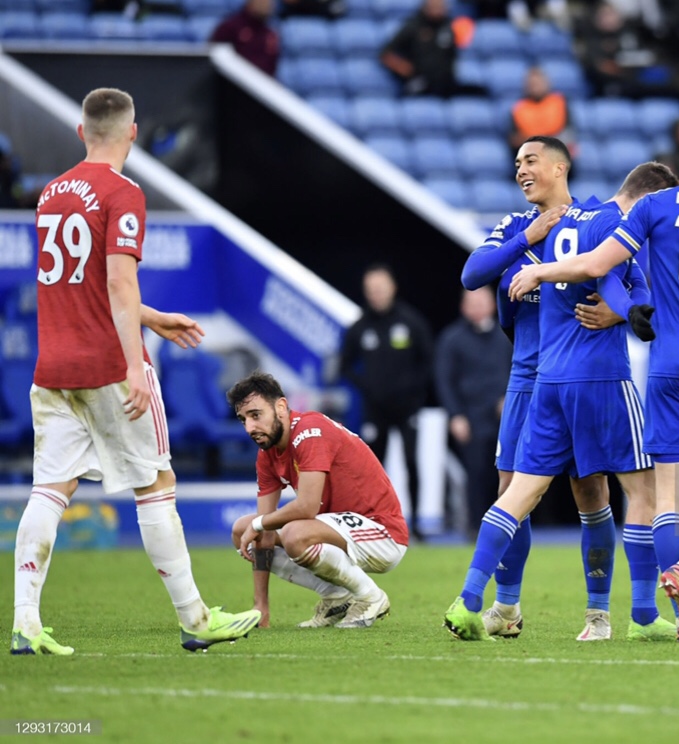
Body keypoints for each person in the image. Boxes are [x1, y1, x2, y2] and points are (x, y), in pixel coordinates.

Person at [508, 116, 679, 643]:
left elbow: (595, 263)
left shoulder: (657, 206)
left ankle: (677, 604)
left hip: (667, 369)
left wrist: (541, 270)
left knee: (668, 495)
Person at [11, 88, 260, 656]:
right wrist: (131, 363)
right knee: (155, 485)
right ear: (133, 133)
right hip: (106, 362)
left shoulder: (51, 193)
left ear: (81, 133)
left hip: (52, 366)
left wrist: (153, 317)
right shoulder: (123, 192)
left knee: (49, 490)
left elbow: (81, 283)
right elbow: (119, 283)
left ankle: (25, 621)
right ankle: (195, 618)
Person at [445, 161, 679, 643]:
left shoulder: (575, 224)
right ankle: (524, 607)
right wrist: (631, 311)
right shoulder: (534, 227)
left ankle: (488, 601)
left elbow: (620, 284)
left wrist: (618, 311)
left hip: (551, 376)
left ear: (559, 169)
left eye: (529, 162)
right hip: (575, 379)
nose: (520, 171)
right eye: (517, 163)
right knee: (630, 492)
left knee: (553, 494)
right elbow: (477, 275)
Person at [228, 372, 408, 630]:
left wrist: (259, 525)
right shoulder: (267, 454)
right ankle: (337, 596)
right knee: (241, 530)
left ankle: (370, 596)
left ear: (280, 406)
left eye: (255, 415)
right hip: (338, 529)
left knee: (292, 532)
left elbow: (306, 507)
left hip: (383, 532)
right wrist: (261, 606)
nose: (249, 428)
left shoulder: (310, 431)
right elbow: (262, 535)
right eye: (243, 419)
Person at [339, 263, 432, 541]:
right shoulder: (359, 327)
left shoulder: (411, 321)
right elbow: (345, 367)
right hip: (375, 410)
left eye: (380, 288)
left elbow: (428, 361)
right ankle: (371, 524)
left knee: (412, 463)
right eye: (371, 290)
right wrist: (369, 388)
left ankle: (414, 526)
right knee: (371, 469)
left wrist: (412, 391)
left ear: (392, 287)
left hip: (407, 409)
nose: (376, 294)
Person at [434, 288, 512, 529]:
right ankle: (476, 528)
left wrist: (511, 400)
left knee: (507, 474)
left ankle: (509, 525)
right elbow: (444, 379)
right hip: (471, 418)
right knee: (476, 474)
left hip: (505, 417)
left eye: (482, 302)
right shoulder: (452, 338)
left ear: (492, 304)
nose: (477, 307)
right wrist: (455, 415)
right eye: (472, 302)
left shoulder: (507, 334)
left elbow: (523, 370)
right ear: (463, 306)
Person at [380, 0, 485, 98]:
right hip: (422, 82)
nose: (439, 8)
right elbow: (386, 54)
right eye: (435, 5)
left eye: (441, 5)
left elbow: (465, 40)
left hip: (447, 83)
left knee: (480, 92)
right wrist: (407, 70)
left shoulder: (450, 25)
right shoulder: (413, 26)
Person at [509, 67, 572, 159]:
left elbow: (569, 133)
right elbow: (514, 139)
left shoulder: (560, 102)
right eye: (532, 84)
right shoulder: (519, 108)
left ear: (547, 83)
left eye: (538, 83)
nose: (535, 87)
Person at [210, 0, 281, 78]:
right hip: (234, 82)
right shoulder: (230, 28)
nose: (266, 4)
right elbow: (214, 58)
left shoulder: (271, 33)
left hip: (263, 85)